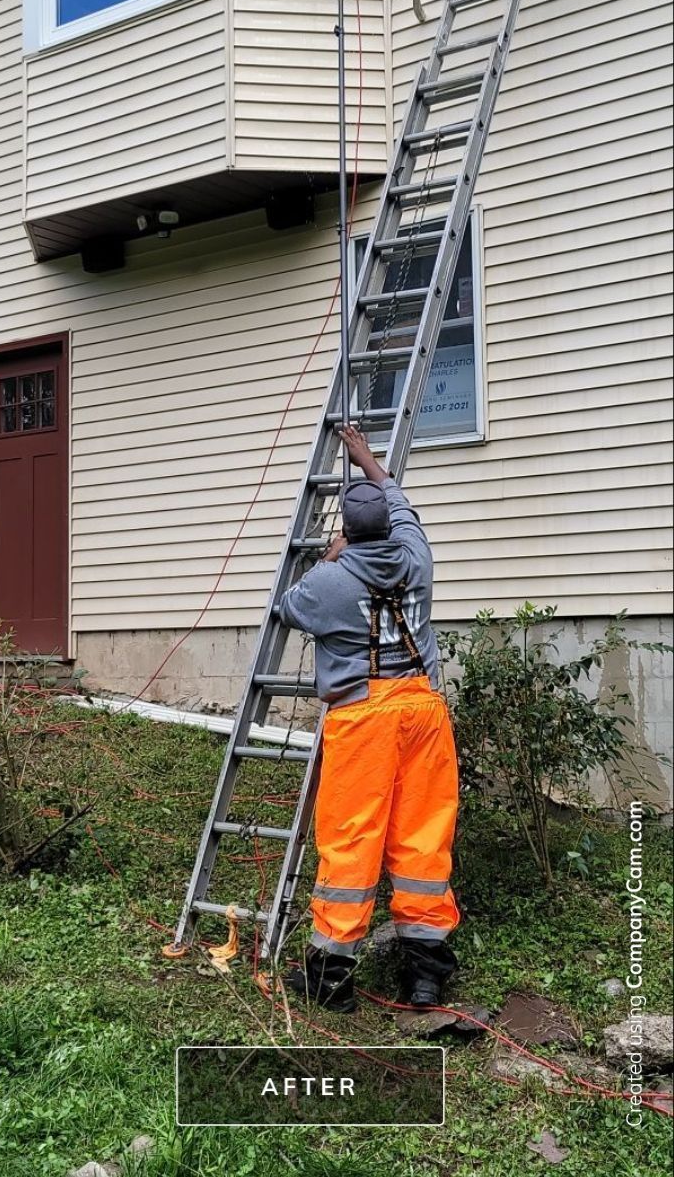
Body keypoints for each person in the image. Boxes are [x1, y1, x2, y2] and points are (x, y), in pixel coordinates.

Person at [274, 425, 459, 1013]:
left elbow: (289, 607)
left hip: (362, 717)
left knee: (351, 842)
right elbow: (402, 505)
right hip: (424, 710)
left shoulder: (329, 580)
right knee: (423, 841)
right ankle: (426, 978)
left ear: (348, 534)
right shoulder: (418, 558)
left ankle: (331, 981)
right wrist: (369, 462)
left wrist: (331, 556)